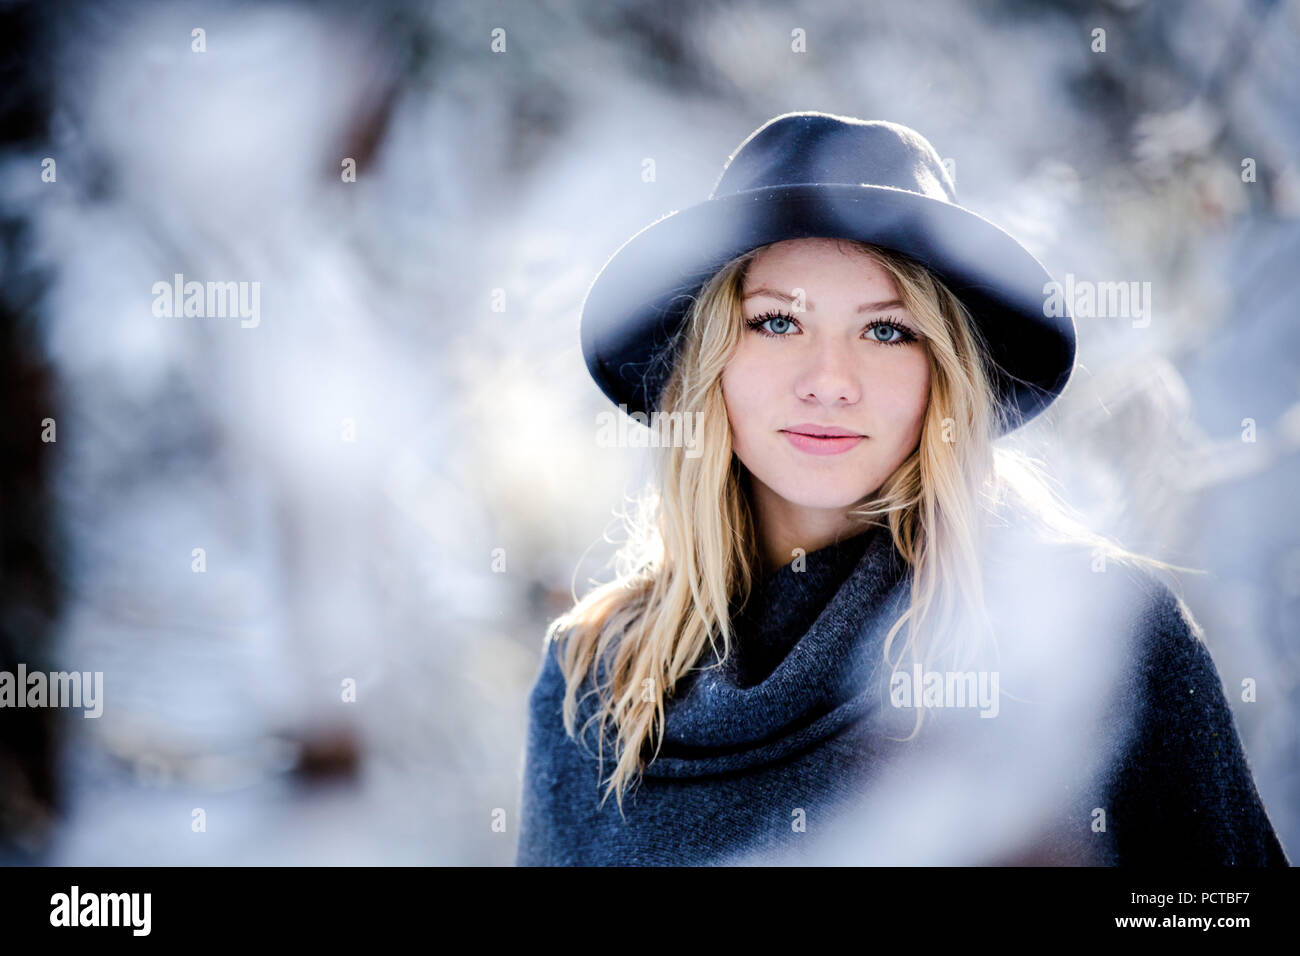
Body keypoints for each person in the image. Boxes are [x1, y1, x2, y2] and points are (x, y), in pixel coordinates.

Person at [514, 111, 1289, 866]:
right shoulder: (594, 677)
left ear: (942, 373)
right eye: (778, 323)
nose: (830, 382)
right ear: (708, 359)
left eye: (887, 330)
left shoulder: (1099, 638)